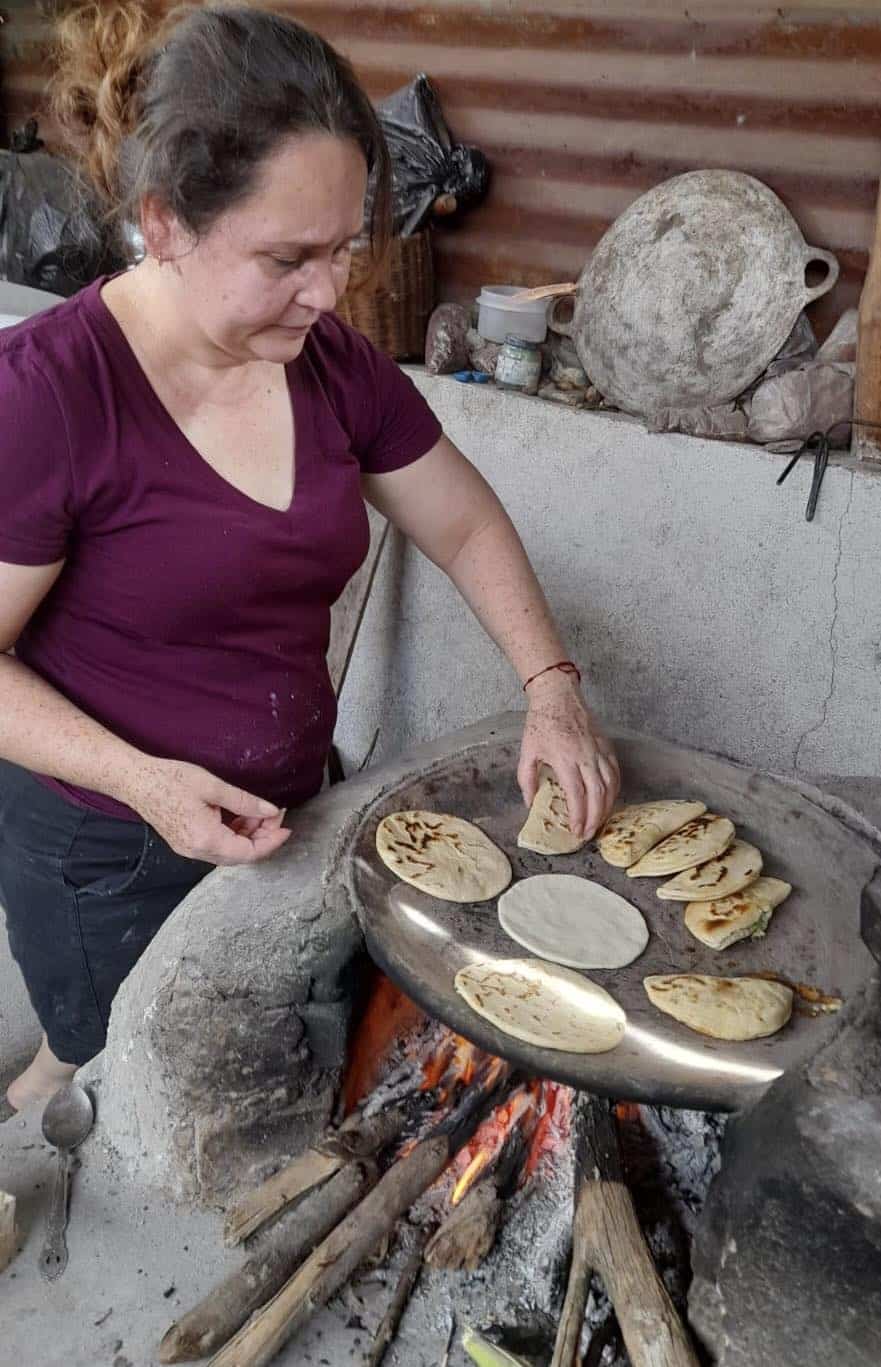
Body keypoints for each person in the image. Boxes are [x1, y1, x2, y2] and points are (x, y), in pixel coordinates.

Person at [0, 2, 620, 1112]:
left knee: (264, 1059)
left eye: (344, 249)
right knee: (114, 1086)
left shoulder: (329, 364)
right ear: (166, 224)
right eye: (288, 258)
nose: (332, 294)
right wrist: (146, 782)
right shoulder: (46, 397)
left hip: (291, 800)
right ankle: (44, 1083)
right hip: (112, 835)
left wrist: (551, 687)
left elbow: (465, 524)